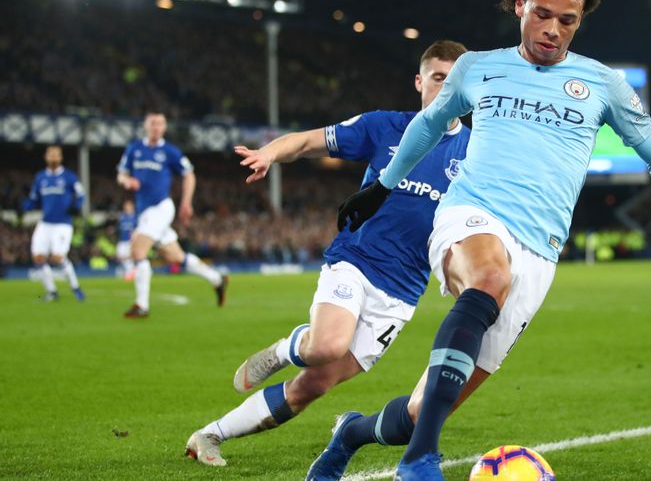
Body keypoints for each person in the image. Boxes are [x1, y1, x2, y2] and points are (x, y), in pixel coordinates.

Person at [320, 0, 651, 478]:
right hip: (472, 212)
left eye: (567, 20)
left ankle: (354, 432)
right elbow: (430, 125)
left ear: (579, 21)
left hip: (542, 250)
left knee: (420, 411)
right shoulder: (477, 67)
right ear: (519, 5)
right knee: (487, 276)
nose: (553, 29)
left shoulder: (603, 84)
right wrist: (383, 186)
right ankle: (419, 463)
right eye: (542, 14)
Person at [184, 40, 471, 467]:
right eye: (437, 79)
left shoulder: (476, 153)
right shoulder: (383, 127)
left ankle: (208, 435)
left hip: (402, 293)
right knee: (325, 346)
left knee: (311, 386)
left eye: (455, 83)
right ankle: (285, 349)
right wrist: (269, 154)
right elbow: (305, 142)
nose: (445, 90)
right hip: (356, 261)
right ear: (419, 82)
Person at [116, 112, 228, 318]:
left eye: (160, 123)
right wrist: (126, 181)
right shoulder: (134, 149)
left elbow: (189, 175)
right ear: (146, 126)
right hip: (144, 212)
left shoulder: (170, 151)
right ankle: (217, 279)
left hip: (161, 208)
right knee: (175, 256)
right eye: (153, 123)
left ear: (164, 127)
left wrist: (186, 202)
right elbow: (121, 173)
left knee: (137, 250)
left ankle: (141, 305)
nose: (156, 127)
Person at [22, 145, 86, 302]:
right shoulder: (40, 178)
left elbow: (81, 194)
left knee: (58, 258)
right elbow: (34, 198)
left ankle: (75, 287)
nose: (53, 157)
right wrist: (25, 206)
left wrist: (76, 207)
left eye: (56, 155)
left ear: (61, 158)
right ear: (46, 157)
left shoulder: (69, 177)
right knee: (38, 257)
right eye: (50, 154)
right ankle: (52, 291)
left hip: (63, 223)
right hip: (45, 223)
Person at [115, 199, 137, 281]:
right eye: (125, 206)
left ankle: (129, 273)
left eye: (128, 206)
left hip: (130, 241)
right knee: (119, 255)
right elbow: (119, 228)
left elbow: (137, 229)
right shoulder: (122, 217)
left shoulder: (135, 217)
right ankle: (132, 271)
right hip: (122, 240)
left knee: (128, 257)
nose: (126, 207)